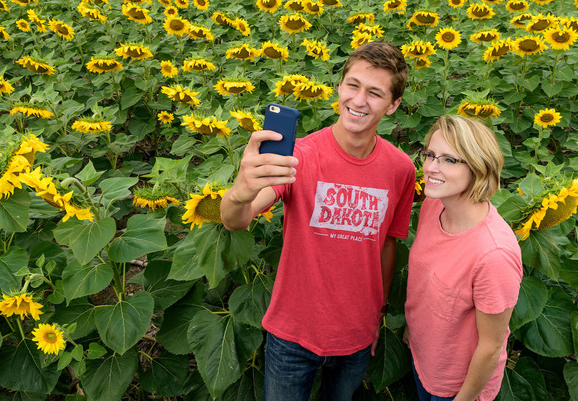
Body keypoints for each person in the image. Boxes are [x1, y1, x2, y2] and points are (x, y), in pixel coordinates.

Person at [220, 40, 416, 401]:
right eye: (353, 86)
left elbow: (389, 243)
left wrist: (379, 313)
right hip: (292, 333)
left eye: (375, 93)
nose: (359, 100)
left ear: (393, 105)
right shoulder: (300, 156)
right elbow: (237, 219)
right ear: (339, 88)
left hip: (357, 335)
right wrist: (240, 191)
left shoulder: (401, 170)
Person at [403, 115, 522, 401]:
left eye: (448, 160)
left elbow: (491, 346)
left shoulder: (494, 254)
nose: (430, 167)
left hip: (456, 385)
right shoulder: (435, 205)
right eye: (430, 155)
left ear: (479, 167)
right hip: (425, 359)